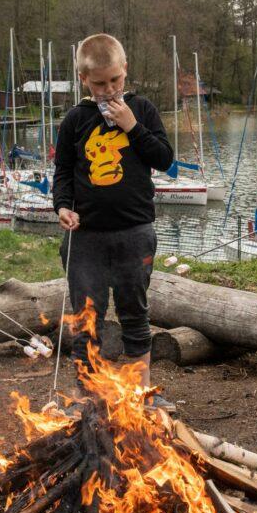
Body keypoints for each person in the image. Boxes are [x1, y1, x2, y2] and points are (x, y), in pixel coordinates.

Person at [52, 33, 175, 410]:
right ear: (84, 80)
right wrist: (62, 207)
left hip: (134, 230)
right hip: (86, 234)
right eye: (100, 83)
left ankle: (141, 394)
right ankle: (89, 396)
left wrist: (132, 127)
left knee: (134, 312)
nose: (109, 90)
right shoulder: (75, 119)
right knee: (87, 317)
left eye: (115, 81)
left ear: (126, 72)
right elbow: (63, 173)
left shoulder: (142, 109)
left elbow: (165, 159)